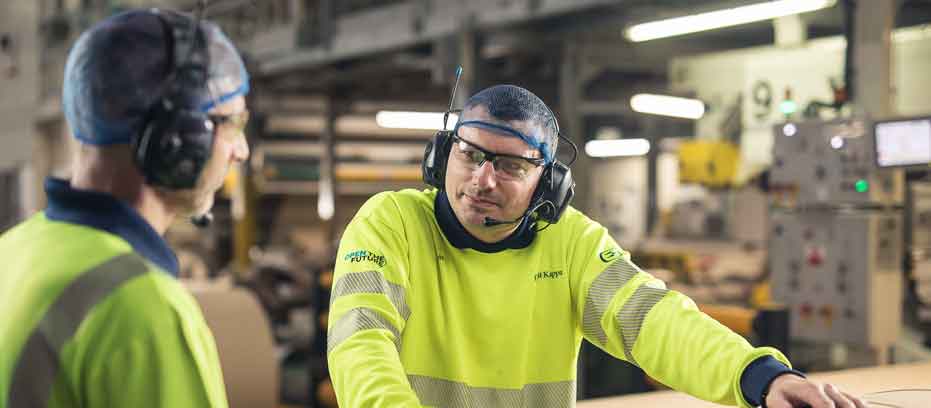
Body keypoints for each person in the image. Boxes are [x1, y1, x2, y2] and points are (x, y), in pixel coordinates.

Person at [327, 84, 867, 408]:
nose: (483, 179)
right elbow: (361, 344)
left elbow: (656, 322)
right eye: (470, 155)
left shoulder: (571, 243)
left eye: (512, 166)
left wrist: (760, 377)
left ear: (548, 183)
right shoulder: (390, 223)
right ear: (441, 153)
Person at [0, 8, 250, 407]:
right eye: (232, 126)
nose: (241, 150)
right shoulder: (142, 308)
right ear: (178, 139)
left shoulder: (15, 248)